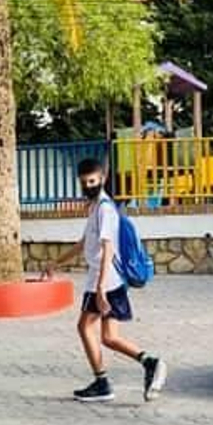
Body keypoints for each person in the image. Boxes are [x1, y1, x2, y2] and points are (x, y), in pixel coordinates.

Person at [61, 157, 166, 403]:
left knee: (84, 327)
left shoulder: (106, 209)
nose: (88, 186)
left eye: (92, 181)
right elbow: (84, 244)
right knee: (109, 337)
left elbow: (108, 248)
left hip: (104, 281)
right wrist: (56, 263)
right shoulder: (96, 207)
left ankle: (102, 383)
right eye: (84, 182)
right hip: (108, 281)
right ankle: (151, 363)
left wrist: (100, 289)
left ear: (103, 179)